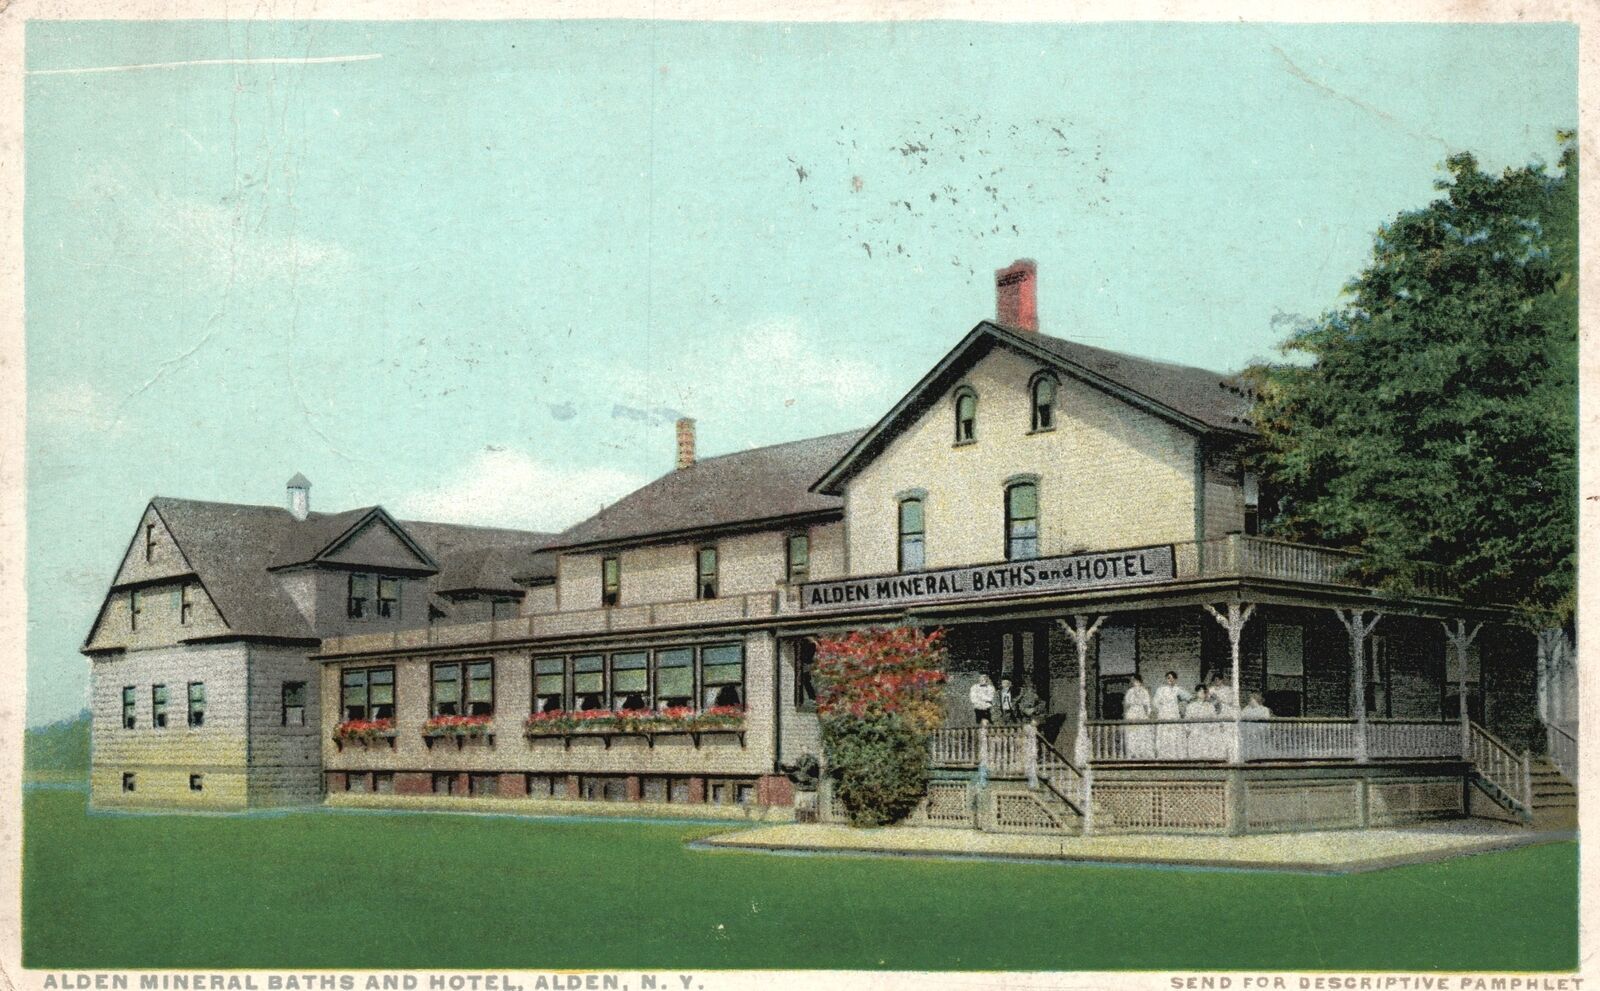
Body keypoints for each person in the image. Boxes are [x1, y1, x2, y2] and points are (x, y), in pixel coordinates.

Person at [1152, 671, 1190, 759]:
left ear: (1176, 680)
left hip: (1174, 713)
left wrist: (1181, 705)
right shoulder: (1161, 689)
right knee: (1164, 734)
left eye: (1173, 678)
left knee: (1174, 734)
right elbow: (1155, 702)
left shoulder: (1178, 689)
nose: (1171, 680)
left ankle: (1175, 755)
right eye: (1169, 678)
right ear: (1166, 679)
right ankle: (1164, 755)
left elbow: (1189, 697)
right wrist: (1162, 708)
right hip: (1164, 713)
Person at [1185, 684, 1223, 760]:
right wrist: (1187, 730)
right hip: (1195, 731)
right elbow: (1187, 720)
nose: (1201, 693)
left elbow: (1214, 718)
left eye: (1203, 692)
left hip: (1206, 731)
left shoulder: (1210, 706)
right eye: (1199, 691)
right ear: (1196, 693)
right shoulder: (1191, 706)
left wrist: (1214, 727)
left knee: (1206, 751)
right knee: (1195, 751)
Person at [1123, 673, 1154, 759]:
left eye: (1135, 680)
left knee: (1141, 732)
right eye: (1133, 681)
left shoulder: (1144, 691)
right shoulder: (1130, 692)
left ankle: (1142, 753)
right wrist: (1126, 714)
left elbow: (1147, 704)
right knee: (1132, 733)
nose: (1134, 682)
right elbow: (1127, 704)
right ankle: (1133, 753)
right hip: (1132, 713)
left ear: (1139, 681)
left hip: (1141, 712)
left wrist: (1147, 714)